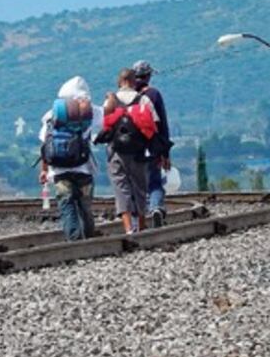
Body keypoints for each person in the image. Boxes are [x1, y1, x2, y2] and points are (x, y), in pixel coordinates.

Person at [38, 76, 104, 241]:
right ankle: (89, 238)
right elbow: (107, 120)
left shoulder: (52, 114)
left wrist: (44, 170)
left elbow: (46, 144)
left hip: (59, 170)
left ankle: (74, 241)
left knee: (66, 205)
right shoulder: (92, 112)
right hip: (84, 167)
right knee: (85, 207)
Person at [102, 68, 158, 233]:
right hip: (138, 151)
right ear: (134, 82)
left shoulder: (111, 101)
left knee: (121, 187)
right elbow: (153, 124)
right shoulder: (143, 100)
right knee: (140, 186)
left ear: (119, 82)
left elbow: (103, 125)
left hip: (116, 151)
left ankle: (128, 227)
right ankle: (141, 224)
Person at [132, 60, 172, 228]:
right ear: (148, 76)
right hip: (152, 146)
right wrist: (165, 153)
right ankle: (155, 207)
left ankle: (135, 221)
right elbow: (162, 123)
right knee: (155, 182)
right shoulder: (154, 95)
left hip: (132, 148)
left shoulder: (126, 95)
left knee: (135, 185)